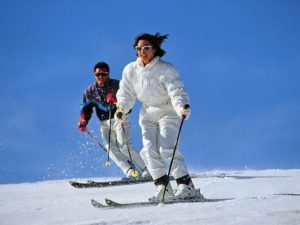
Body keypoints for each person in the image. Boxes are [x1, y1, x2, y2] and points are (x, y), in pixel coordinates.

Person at [115, 33, 202, 201]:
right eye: (139, 49)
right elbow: (126, 93)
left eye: (146, 48)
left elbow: (176, 90)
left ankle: (185, 185)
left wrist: (181, 107)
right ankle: (163, 187)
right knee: (148, 150)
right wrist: (122, 108)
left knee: (166, 147)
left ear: (155, 49)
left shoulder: (166, 69)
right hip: (147, 112)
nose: (142, 52)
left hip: (168, 111)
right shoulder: (131, 70)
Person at [77, 62, 150, 179]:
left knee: (124, 146)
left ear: (108, 74)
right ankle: (130, 171)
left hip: (119, 117)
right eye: (98, 75)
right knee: (110, 149)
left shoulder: (117, 85)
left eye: (103, 74)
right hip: (104, 123)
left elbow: (129, 101)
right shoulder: (90, 91)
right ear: (94, 75)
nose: (100, 77)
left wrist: (116, 100)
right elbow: (86, 108)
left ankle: (147, 169)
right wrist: (83, 120)